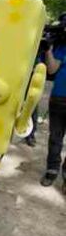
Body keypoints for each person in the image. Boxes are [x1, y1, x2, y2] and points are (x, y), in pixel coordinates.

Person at [40, 18, 66, 193]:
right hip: (58, 99)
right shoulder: (62, 46)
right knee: (55, 138)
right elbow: (52, 70)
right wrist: (48, 49)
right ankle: (52, 170)